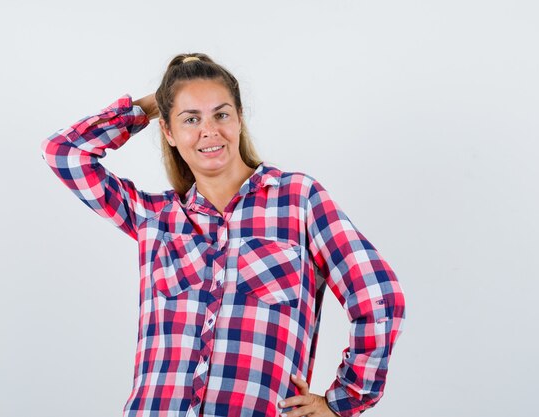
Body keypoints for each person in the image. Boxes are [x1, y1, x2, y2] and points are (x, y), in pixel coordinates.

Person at [40, 53, 405, 417]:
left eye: (221, 114)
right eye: (190, 119)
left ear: (240, 119)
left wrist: (343, 401)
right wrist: (155, 103)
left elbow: (378, 298)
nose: (209, 130)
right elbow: (64, 152)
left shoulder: (298, 200)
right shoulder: (155, 218)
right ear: (168, 132)